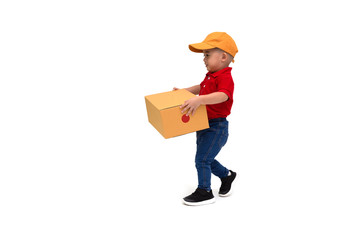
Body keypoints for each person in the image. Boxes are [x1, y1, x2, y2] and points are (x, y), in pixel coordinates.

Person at [174, 32, 238, 206]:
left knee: (202, 159)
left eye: (207, 55)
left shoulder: (224, 76)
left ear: (223, 56)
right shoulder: (211, 75)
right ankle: (227, 175)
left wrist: (199, 100)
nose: (204, 59)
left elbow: (223, 95)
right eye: (203, 56)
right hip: (203, 124)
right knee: (205, 158)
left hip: (217, 127)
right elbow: (201, 87)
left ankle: (205, 191)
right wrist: (185, 91)